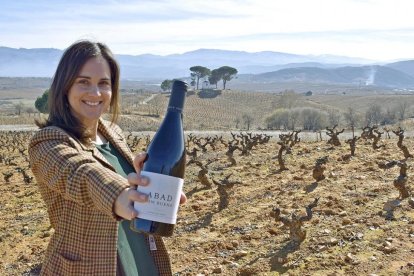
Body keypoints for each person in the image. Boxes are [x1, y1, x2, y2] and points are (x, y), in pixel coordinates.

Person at [28, 40, 186, 276]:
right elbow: (82, 173)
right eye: (83, 82)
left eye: (104, 83)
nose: (96, 93)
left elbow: (124, 182)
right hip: (87, 268)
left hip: (141, 259)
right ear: (65, 86)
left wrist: (146, 184)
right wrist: (123, 194)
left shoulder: (113, 134)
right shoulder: (48, 142)